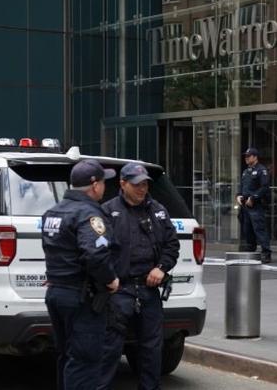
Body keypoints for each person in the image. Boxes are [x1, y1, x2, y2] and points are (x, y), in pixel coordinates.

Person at [98, 162, 180, 390]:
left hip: (149, 289)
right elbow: (98, 251)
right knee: (109, 348)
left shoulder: (158, 210)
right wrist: (108, 278)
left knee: (152, 347)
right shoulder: (108, 211)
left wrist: (162, 267)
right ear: (123, 184)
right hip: (119, 290)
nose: (142, 189)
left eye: (144, 184)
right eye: (136, 185)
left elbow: (172, 245)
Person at [42, 159, 120, 390]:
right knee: (85, 361)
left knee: (67, 357)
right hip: (81, 297)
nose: (105, 187)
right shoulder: (88, 214)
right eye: (104, 182)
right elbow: (95, 254)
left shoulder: (53, 212)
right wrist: (110, 279)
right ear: (95, 185)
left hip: (57, 292)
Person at [236, 147, 272, 263]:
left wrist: (253, 197)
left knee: (259, 229)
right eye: (245, 156)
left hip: (255, 204)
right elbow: (242, 186)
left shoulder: (262, 170)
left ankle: (266, 252)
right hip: (245, 204)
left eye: (248, 156)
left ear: (255, 157)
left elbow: (264, 187)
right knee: (247, 229)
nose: (246, 158)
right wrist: (238, 195)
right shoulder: (246, 171)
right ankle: (251, 249)